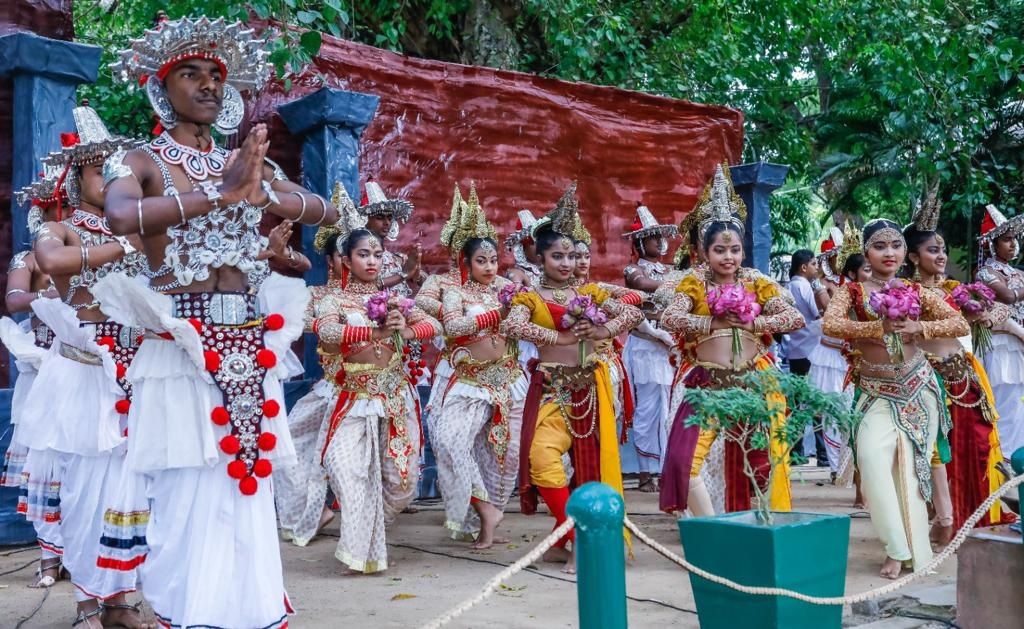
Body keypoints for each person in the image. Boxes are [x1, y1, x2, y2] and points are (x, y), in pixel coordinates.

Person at [95, 15, 338, 627]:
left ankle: (250, 613)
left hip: (249, 340)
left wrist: (262, 195)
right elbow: (121, 217)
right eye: (190, 73)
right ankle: (191, 614)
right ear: (160, 87)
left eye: (214, 76)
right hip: (179, 341)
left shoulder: (243, 161)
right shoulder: (139, 159)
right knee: (189, 487)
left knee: (245, 487)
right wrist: (219, 196)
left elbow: (323, 206)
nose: (206, 85)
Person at [19, 104, 150, 628]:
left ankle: (120, 600)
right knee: (84, 493)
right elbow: (48, 264)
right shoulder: (63, 230)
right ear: (77, 177)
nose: (114, 178)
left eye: (119, 170)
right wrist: (123, 245)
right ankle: (87, 604)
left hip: (136, 373)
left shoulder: (143, 225)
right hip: (84, 379)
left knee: (131, 490)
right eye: (102, 170)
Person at [503, 183, 643, 573]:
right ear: (541, 257)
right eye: (557, 256)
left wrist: (603, 330)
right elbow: (513, 326)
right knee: (540, 459)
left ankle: (574, 539)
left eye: (570, 256)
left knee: (590, 469)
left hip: (591, 389)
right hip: (552, 390)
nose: (565, 263)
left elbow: (634, 313)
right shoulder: (529, 297)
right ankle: (577, 534)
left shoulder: (592, 292)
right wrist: (559, 336)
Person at [823, 218, 968, 579]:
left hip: (918, 386)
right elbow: (831, 324)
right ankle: (896, 546)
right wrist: (876, 328)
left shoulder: (914, 290)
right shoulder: (853, 292)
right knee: (872, 462)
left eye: (896, 246)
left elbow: (959, 323)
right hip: (875, 389)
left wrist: (920, 327)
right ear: (866, 253)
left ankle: (908, 550)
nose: (889, 253)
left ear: (905, 252)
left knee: (910, 469)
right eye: (879, 246)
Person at [659, 165, 804, 517]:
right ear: (704, 253)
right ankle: (713, 531)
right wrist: (713, 320)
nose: (729, 257)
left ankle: (755, 529)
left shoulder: (756, 281)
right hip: (707, 384)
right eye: (720, 250)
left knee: (761, 466)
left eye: (735, 250)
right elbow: (669, 318)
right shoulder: (694, 284)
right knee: (682, 463)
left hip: (753, 384)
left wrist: (755, 321)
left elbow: (794, 317)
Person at [306, 204, 441, 572]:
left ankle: (369, 532)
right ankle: (360, 544)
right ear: (346, 260)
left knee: (402, 482)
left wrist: (406, 329)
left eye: (378, 254)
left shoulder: (396, 301)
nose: (372, 261)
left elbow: (432, 323)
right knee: (345, 468)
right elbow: (328, 332)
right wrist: (374, 331)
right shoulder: (334, 300)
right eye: (363, 254)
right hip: (354, 398)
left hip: (396, 400)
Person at [903, 190, 1017, 538]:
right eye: (932, 250)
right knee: (937, 453)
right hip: (927, 378)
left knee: (979, 445)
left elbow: (997, 312)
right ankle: (940, 520)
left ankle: (975, 514)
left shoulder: (955, 287)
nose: (941, 255)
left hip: (965, 375)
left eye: (942, 249)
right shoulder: (903, 293)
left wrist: (981, 312)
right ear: (912, 256)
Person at [432, 184, 526, 548]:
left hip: (510, 380)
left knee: (506, 457)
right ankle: (484, 508)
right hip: (469, 382)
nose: (489, 267)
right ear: (465, 263)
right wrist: (495, 315)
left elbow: (530, 317)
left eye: (493, 260)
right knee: (450, 441)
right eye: (481, 261)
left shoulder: (508, 286)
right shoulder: (455, 291)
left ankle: (490, 520)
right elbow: (453, 327)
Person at [0, 169, 63, 588]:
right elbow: (13, 300)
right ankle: (49, 558)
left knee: (86, 470)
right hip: (44, 374)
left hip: (95, 370)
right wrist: (48, 297)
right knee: (46, 466)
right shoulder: (29, 259)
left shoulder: (97, 248)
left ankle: (83, 552)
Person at [621, 204, 679, 491]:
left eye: (659, 236)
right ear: (640, 242)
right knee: (647, 411)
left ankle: (665, 469)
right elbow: (643, 285)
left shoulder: (670, 270)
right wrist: (677, 284)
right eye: (652, 237)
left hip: (668, 347)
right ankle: (646, 473)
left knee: (668, 409)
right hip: (645, 346)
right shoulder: (633, 270)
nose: (658, 241)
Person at [975, 204, 1024, 457]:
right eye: (1006, 239)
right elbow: (1007, 296)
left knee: (1019, 407)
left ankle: (1016, 463)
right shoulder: (985, 272)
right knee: (1003, 404)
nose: (1013, 244)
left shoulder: (1017, 272)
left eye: (1014, 238)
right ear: (991, 245)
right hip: (1000, 344)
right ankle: (1000, 461)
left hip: (1018, 344)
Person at [786, 248, 829, 464]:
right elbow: (818, 314)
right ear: (804, 267)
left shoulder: (791, 286)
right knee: (814, 402)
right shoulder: (802, 286)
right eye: (814, 264)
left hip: (797, 350)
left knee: (798, 403)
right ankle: (821, 454)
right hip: (808, 350)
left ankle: (797, 452)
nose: (817, 268)